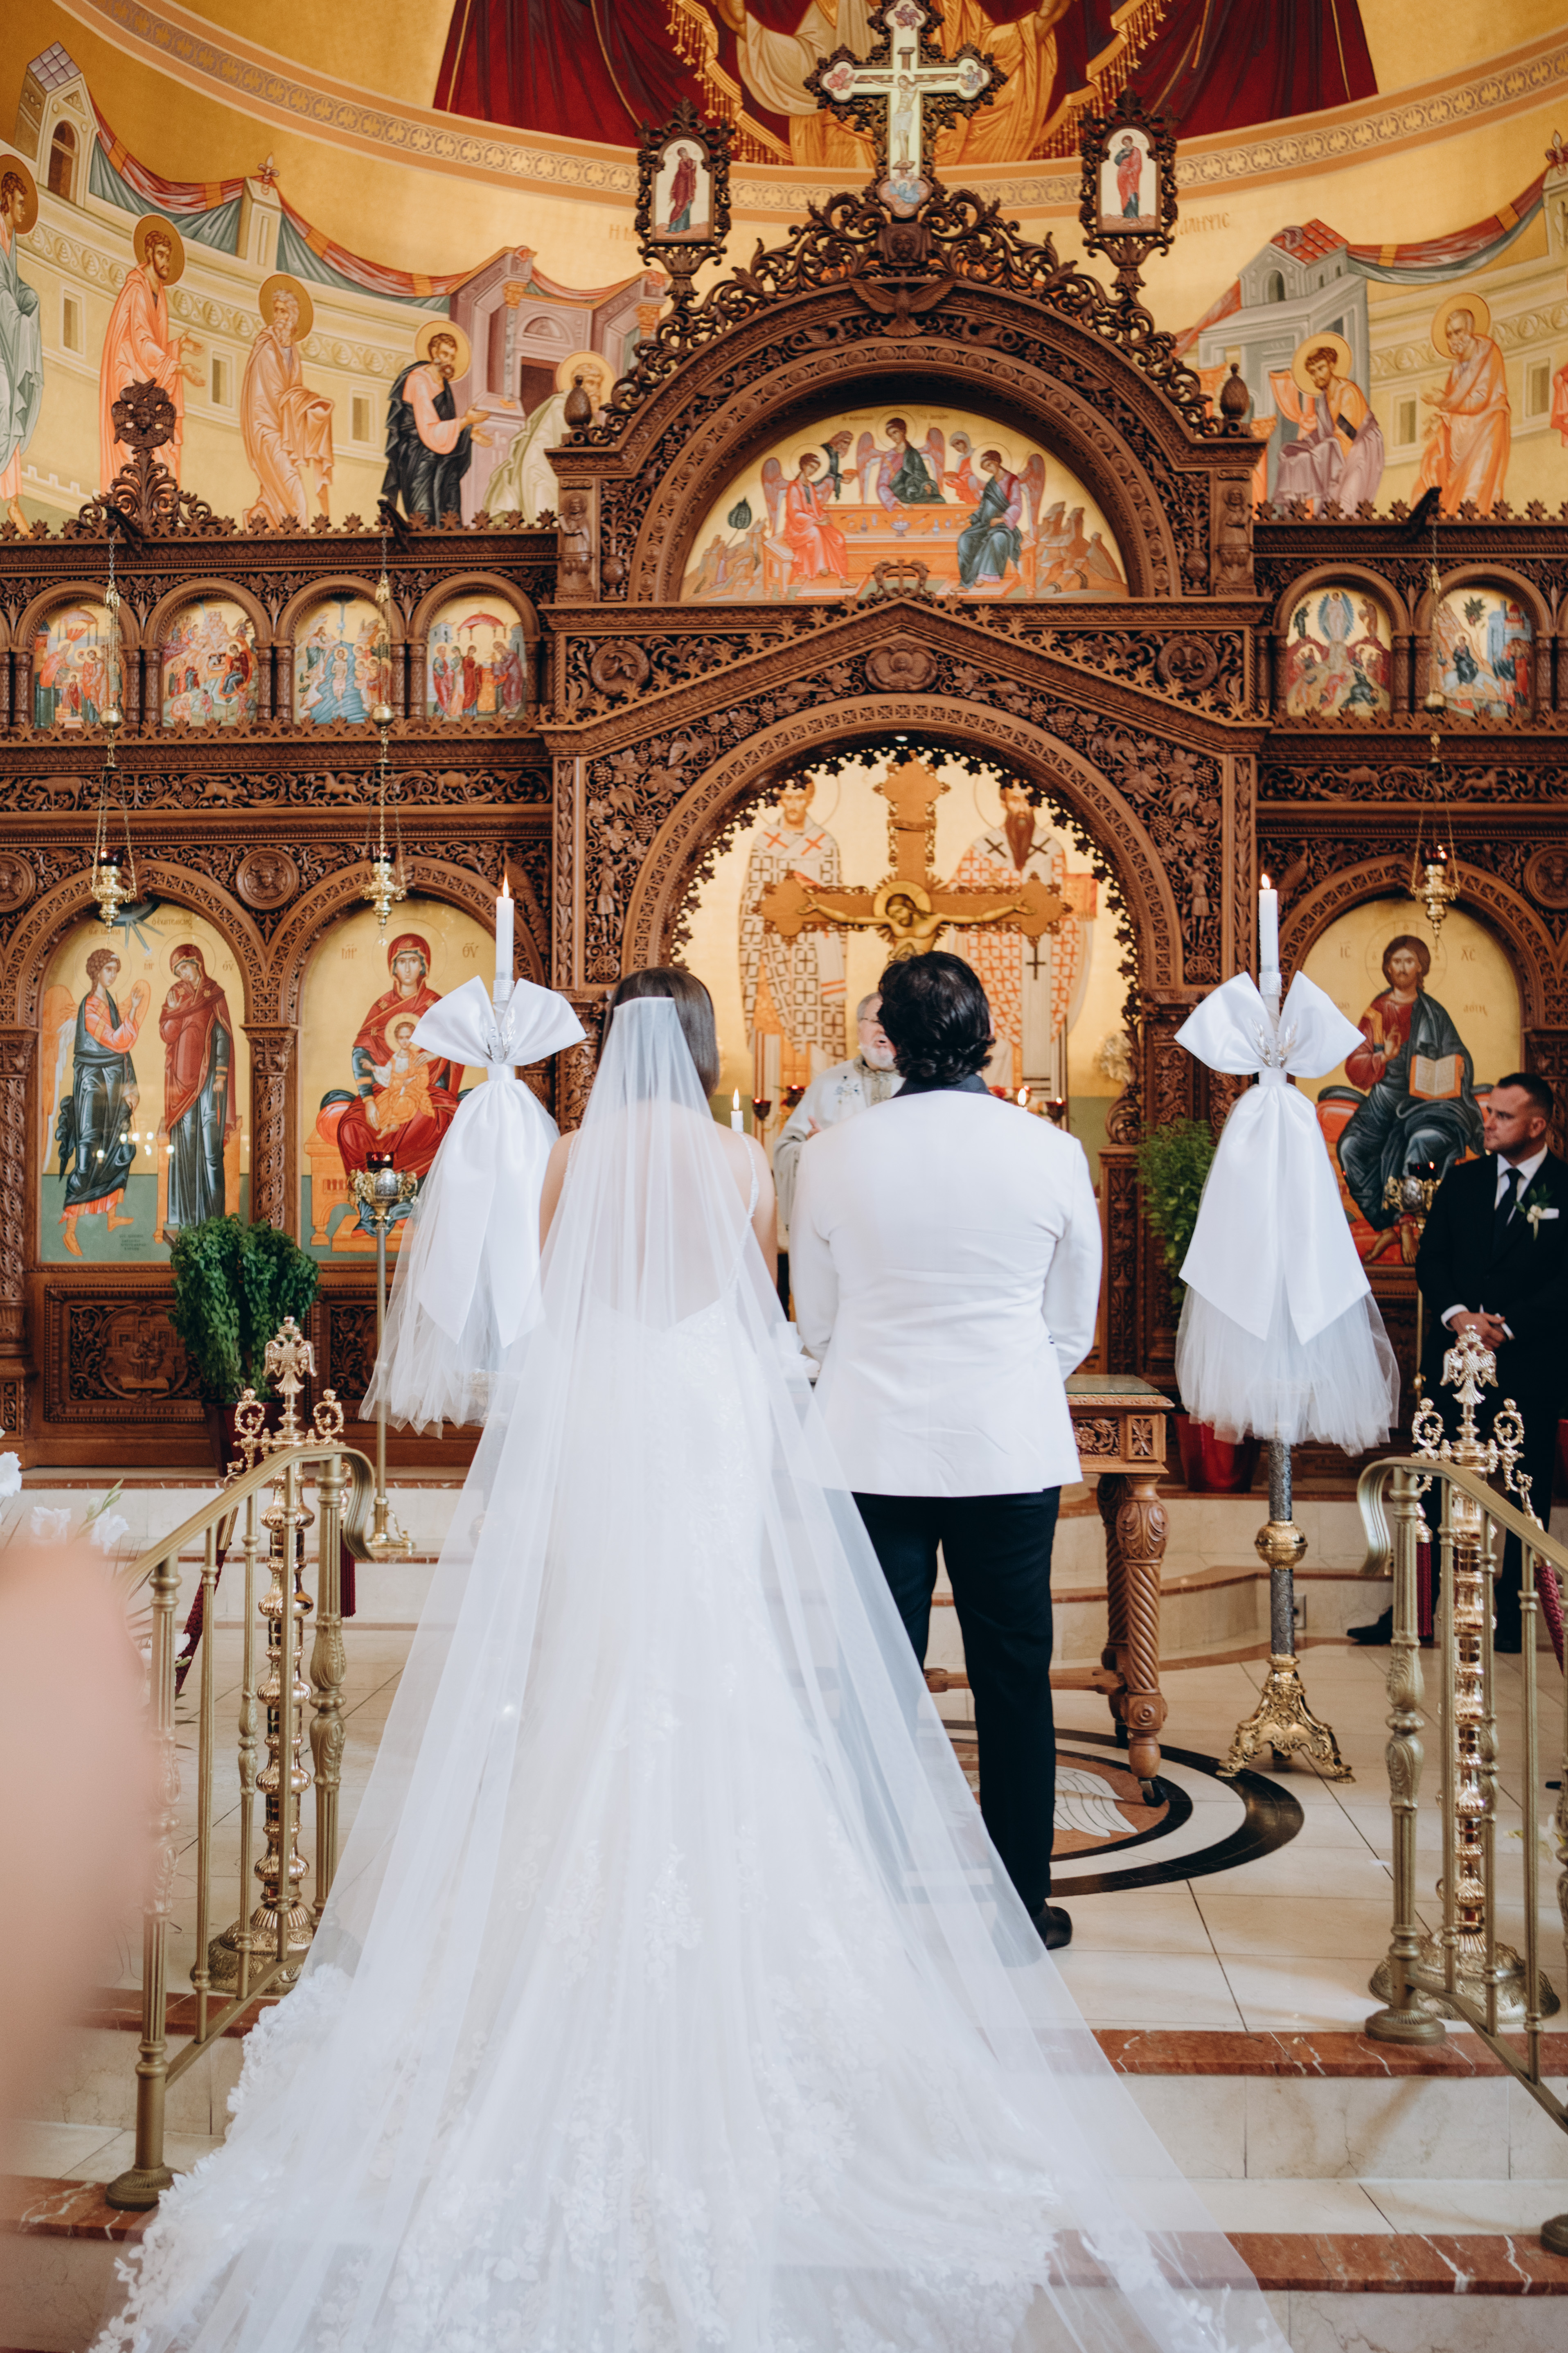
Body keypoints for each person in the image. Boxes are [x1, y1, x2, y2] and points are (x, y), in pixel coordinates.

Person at [93, 962, 1282, 2353]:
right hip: (815, 1419)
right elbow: (815, 1314)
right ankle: (992, 1909)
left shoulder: (626, 1157)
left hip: (654, 1419)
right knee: (939, 1671)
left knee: (706, 1660)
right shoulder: (782, 1157)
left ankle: (771, 1876)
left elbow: (623, 1305)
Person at [789, 951, 1102, 1952]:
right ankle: (1022, 1903)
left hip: (868, 1443)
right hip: (1003, 1442)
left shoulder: (833, 1154)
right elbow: (1071, 1323)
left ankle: (871, 1896)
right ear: (987, 1040)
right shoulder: (1050, 1150)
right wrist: (1001, 1374)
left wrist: (882, 1367)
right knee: (1013, 1671)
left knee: (876, 1675)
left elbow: (816, 1324)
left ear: (888, 1041)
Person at [1392, 1074, 1568, 1654]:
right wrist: (1459, 1316)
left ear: (1537, 1125)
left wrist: (1507, 1327)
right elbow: (1432, 1260)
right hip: (1455, 1362)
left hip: (1529, 1364)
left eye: (1503, 1116)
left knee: (1526, 1495)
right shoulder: (1463, 1180)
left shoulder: (1564, 1187)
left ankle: (1515, 1620)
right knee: (1432, 1487)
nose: (1488, 1123)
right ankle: (1416, 1614)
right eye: (1489, 1112)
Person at [1336, 933, 1482, 1232]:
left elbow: (1458, 1053)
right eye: (1397, 961)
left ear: (1421, 967)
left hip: (1428, 1102)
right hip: (1384, 1101)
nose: (1403, 968)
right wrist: (1384, 1057)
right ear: (1388, 968)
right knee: (1350, 1148)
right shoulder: (1376, 1012)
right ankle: (1384, 1223)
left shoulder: (1434, 1013)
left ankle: (1410, 1221)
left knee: (1422, 1144)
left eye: (1409, 961)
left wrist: (1459, 1067)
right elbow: (1355, 1065)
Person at [772, 988, 900, 1238]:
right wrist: (813, 1149)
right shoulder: (828, 1083)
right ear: (859, 1028)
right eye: (876, 1021)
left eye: (893, 1022)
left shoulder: (921, 1083)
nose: (884, 1030)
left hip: (901, 1216)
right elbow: (785, 1149)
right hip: (841, 1219)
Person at [54, 949, 149, 1257]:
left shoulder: (109, 1003)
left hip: (113, 1085)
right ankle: (70, 1230)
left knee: (117, 1149)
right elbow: (118, 1042)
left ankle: (111, 1217)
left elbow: (122, 1055)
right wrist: (133, 1013)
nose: (113, 975)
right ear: (96, 972)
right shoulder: (91, 1007)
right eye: (108, 969)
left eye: (115, 970)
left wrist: (130, 1087)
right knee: (88, 1153)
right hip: (93, 1086)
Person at [99, 215, 202, 492]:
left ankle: (153, 495)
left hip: (146, 371)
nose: (166, 261)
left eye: (168, 256)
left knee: (156, 445)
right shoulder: (137, 289)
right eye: (161, 255)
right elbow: (142, 343)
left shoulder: (159, 292)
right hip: (128, 374)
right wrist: (179, 368)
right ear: (149, 254)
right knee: (135, 444)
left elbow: (154, 347)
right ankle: (132, 495)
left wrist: (178, 346)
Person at [241, 275, 335, 526]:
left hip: (282, 433)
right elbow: (277, 397)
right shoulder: (266, 348)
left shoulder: (290, 350)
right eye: (276, 311)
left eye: (284, 311)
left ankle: (259, 522)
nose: (279, 317)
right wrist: (309, 403)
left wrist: (310, 406)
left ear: (294, 317)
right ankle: (296, 542)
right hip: (267, 431)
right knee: (296, 501)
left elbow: (290, 393)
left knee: (275, 496)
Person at [159, 943, 236, 1239]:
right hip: (181, 1085)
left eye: (185, 968)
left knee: (211, 1150)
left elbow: (222, 1034)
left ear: (198, 964)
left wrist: (221, 1073)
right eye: (178, 971)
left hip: (208, 1081)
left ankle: (215, 1221)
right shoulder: (177, 996)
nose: (183, 975)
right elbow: (168, 1035)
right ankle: (189, 1223)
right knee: (187, 1152)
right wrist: (174, 1010)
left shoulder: (213, 994)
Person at [382, 325, 489, 525]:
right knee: (424, 518)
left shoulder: (442, 382)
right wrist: (466, 421)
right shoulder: (419, 380)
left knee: (447, 518)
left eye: (452, 357)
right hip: (418, 461)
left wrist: (468, 433)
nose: (449, 361)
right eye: (445, 355)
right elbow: (429, 430)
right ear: (433, 353)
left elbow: (443, 428)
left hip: (437, 460)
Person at [1414, 299, 1510, 516]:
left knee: (1475, 488)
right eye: (1449, 335)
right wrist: (1440, 418)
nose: (1453, 339)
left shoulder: (1487, 352)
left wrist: (1443, 402)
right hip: (1463, 435)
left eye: (1458, 332)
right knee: (1433, 459)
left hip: (1487, 428)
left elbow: (1480, 401)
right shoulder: (1457, 367)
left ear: (1470, 331)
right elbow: (1455, 408)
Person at [0, 156, 43, 533]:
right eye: (20, 203)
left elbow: (12, 288)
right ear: (6, 201)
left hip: (6, 341)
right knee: (6, 403)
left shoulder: (10, 242)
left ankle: (13, 501)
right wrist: (18, 314)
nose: (23, 210)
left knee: (11, 408)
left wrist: (29, 300)